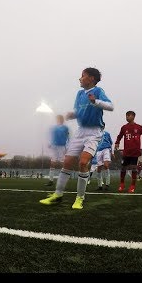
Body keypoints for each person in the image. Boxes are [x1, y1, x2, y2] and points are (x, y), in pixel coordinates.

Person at [39, 67, 114, 209]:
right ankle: (58, 195)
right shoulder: (79, 94)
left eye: (82, 76)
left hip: (94, 133)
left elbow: (111, 106)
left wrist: (95, 102)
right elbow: (77, 111)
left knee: (83, 163)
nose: (80, 78)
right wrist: (71, 114)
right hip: (80, 132)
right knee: (66, 162)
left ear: (91, 78)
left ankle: (80, 198)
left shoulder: (98, 91)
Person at [114, 111, 142, 193]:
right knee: (123, 167)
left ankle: (132, 186)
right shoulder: (124, 127)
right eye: (126, 116)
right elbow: (119, 136)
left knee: (134, 168)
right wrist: (117, 143)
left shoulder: (139, 127)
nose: (127, 117)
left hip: (135, 151)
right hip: (126, 152)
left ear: (133, 116)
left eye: (128, 115)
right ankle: (122, 184)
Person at [44, 114, 70, 186]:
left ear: (62, 120)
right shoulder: (53, 128)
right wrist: (50, 143)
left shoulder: (65, 128)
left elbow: (68, 137)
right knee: (52, 163)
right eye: (57, 119)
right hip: (54, 147)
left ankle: (64, 179)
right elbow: (51, 137)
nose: (58, 120)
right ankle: (51, 180)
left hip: (62, 146)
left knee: (63, 163)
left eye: (59, 119)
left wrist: (67, 147)